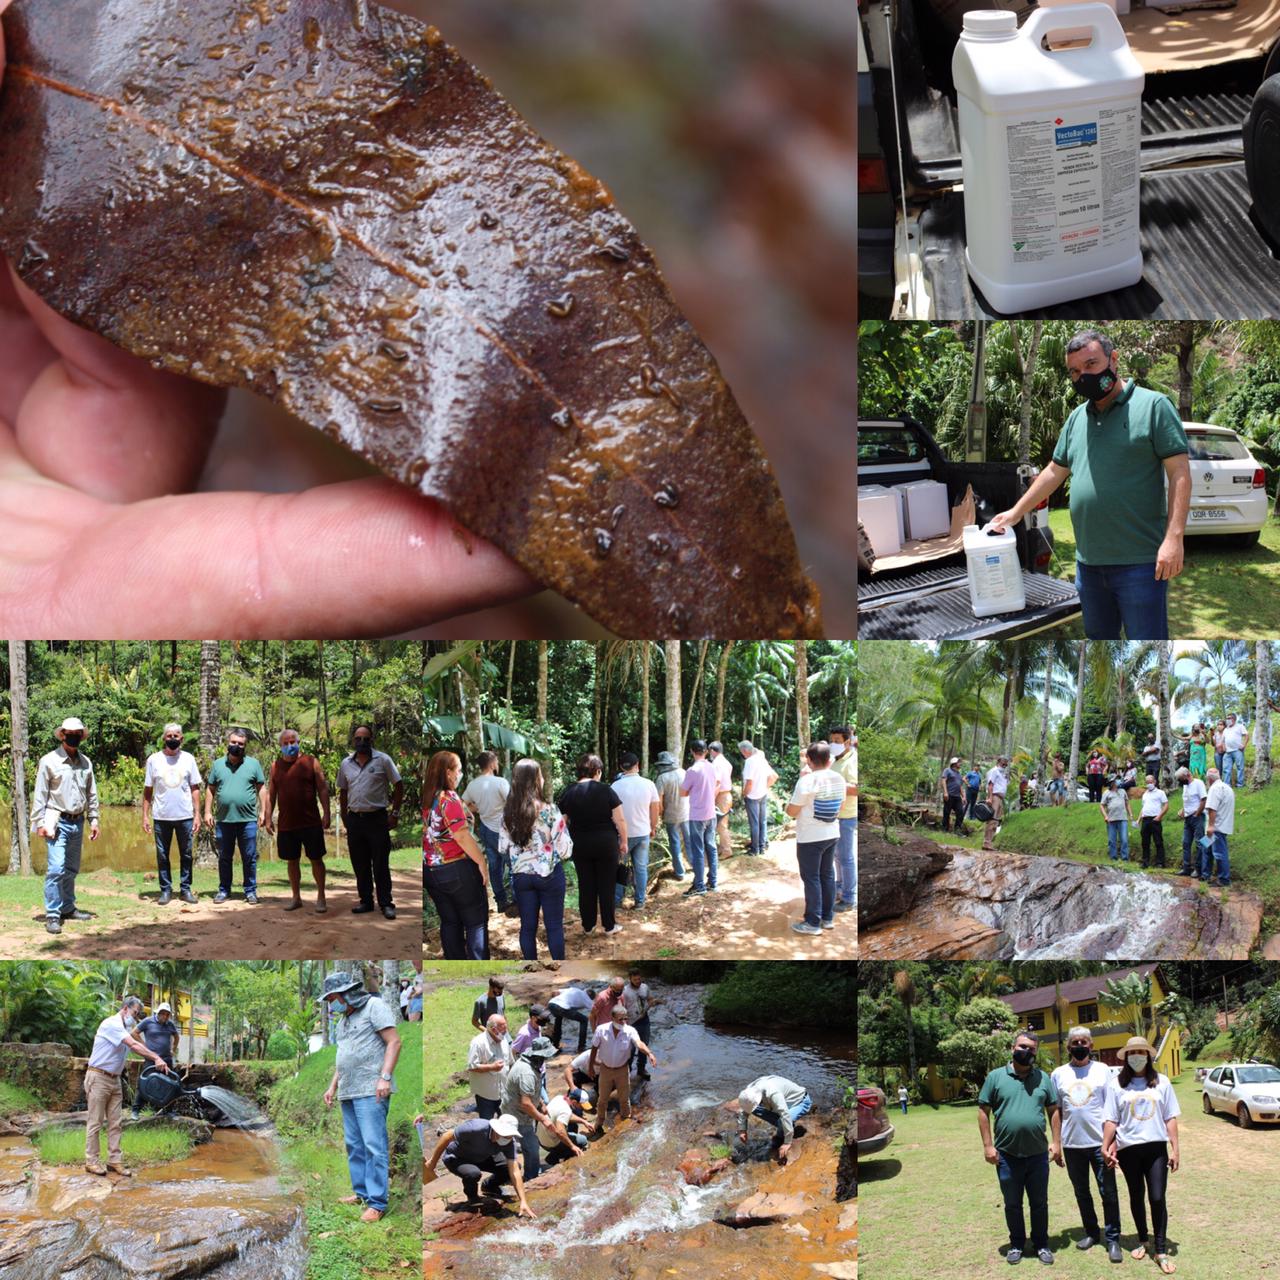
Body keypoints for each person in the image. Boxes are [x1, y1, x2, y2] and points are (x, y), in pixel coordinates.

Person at [989, 329, 1191, 640]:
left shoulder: (1153, 406)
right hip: (1089, 567)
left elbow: (1179, 473)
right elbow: (1055, 471)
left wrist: (1174, 538)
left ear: (1113, 359)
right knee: (1099, 645)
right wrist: (1015, 512)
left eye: (1091, 365)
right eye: (1075, 371)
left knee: (1147, 646)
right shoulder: (1076, 419)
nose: (1083, 376)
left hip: (1140, 565)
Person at [976, 1030, 1062, 1267]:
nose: (1027, 1052)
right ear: (1013, 1048)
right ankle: (1016, 1244)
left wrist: (1056, 1143)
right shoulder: (995, 1077)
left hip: (1037, 1155)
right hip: (1006, 1155)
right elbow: (983, 1112)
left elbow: (1054, 1111)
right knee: (1012, 1203)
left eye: (1032, 1049)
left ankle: (1041, 1243)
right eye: (1023, 1047)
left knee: (1039, 1203)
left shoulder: (1043, 1078)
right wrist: (987, 1146)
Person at [321, 971, 401, 1223]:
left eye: (333, 998)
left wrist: (385, 1077)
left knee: (373, 1145)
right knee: (354, 1146)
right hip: (348, 1091)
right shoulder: (342, 1021)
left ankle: (377, 1203)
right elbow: (343, 1058)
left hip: (371, 1089)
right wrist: (332, 1087)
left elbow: (394, 1042)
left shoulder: (374, 1007)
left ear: (347, 993)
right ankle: (362, 1193)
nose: (331, 1004)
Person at [1103, 1037, 1181, 1274]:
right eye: (1132, 1052)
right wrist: (1105, 1145)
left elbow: (1170, 1117)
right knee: (1136, 1196)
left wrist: (1175, 1149)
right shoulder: (1117, 1084)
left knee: (1157, 1197)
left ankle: (1160, 1250)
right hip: (1128, 1151)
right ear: (1126, 1057)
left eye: (1141, 1052)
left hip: (1156, 1149)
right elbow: (1111, 1119)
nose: (1137, 1056)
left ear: (1148, 1055)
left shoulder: (1162, 1082)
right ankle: (1143, 1240)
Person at [1050, 1027, 1123, 1263]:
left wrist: (1113, 1142)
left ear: (1091, 1045)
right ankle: (1092, 1232)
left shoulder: (1103, 1071)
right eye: (1074, 1042)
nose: (1079, 1045)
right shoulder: (1058, 1074)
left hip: (1100, 1144)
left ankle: (1113, 1239)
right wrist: (1057, 1143)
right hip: (1072, 1146)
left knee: (1108, 1192)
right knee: (1082, 1193)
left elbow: (1113, 1108)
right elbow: (1057, 1111)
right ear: (1068, 1046)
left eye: (1084, 1041)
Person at [85, 995, 174, 1176]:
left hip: (115, 1079)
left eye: (138, 1014)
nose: (135, 1017)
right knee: (95, 1122)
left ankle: (114, 1161)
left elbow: (134, 1045)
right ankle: (91, 1161)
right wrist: (156, 1057)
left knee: (116, 1123)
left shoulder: (125, 1027)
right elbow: (133, 1044)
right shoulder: (112, 1024)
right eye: (134, 1013)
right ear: (125, 1009)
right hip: (98, 1077)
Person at [31, 717, 100, 936]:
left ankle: (68, 908)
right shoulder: (49, 761)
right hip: (57, 821)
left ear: (81, 736)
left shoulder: (86, 762)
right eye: (69, 733)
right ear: (62, 735)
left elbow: (92, 794)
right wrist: (39, 823)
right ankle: (52, 915)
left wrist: (94, 820)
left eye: (77, 734)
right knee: (56, 869)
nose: (73, 737)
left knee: (71, 869)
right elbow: (40, 794)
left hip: (78, 821)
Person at [499, 758, 572, 959]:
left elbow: (502, 847)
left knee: (527, 928)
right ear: (534, 780)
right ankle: (559, 969)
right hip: (548, 874)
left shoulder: (508, 813)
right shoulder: (550, 810)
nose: (542, 779)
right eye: (539, 775)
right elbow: (566, 851)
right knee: (554, 927)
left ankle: (530, 966)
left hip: (521, 876)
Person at [424, 751, 490, 960]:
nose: (460, 774)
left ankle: (455, 961)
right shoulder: (448, 797)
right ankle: (478, 963)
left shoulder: (427, 797)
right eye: (458, 770)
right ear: (448, 772)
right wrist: (481, 862)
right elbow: (461, 836)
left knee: (450, 921)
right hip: (456, 868)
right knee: (476, 921)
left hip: (431, 871)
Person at [336, 726, 402, 920]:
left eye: (365, 739)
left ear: (371, 740)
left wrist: (395, 814)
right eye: (358, 739)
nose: (362, 742)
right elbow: (343, 791)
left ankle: (386, 903)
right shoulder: (346, 763)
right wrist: (345, 817)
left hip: (377, 819)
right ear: (353, 741)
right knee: (360, 863)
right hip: (355, 820)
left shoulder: (383, 760)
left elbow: (398, 785)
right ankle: (366, 901)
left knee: (380, 863)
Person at [263, 728, 330, 913]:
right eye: (285, 743)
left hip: (311, 822)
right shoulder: (275, 767)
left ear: (298, 742)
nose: (289, 746)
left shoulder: (311, 762)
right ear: (280, 745)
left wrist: (327, 813)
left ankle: (321, 897)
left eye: (293, 742)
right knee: (292, 861)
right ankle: (296, 897)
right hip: (287, 824)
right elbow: (271, 794)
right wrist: (268, 818)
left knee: (316, 859)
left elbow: (323, 788)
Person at [558, 754, 626, 936]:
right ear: (597, 771)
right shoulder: (606, 790)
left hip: (580, 844)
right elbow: (619, 819)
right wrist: (624, 841)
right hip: (606, 843)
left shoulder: (568, 792)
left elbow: (561, 823)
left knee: (586, 885)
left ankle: (588, 926)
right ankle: (609, 926)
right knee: (607, 885)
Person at [426, 1112, 536, 1218]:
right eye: (505, 1135)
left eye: (510, 1136)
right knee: (473, 1174)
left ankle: (489, 1186)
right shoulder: (476, 1128)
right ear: (496, 1129)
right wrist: (433, 1163)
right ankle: (473, 1198)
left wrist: (523, 1201)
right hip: (457, 1158)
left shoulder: (509, 1142)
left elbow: (515, 1171)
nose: (507, 1138)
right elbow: (447, 1136)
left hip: (482, 1156)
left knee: (511, 1167)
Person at [787, 742, 845, 935]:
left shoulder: (807, 781)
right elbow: (841, 806)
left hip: (810, 837)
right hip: (832, 833)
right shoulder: (839, 778)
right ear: (829, 760)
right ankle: (827, 918)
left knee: (811, 878)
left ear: (809, 760)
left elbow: (792, 811)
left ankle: (812, 922)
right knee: (827, 875)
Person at [204, 727, 266, 904]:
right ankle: (224, 890)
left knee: (249, 857)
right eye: (233, 742)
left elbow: (261, 788)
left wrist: (263, 811)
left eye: (240, 744)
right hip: (224, 820)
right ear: (227, 743)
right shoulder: (218, 765)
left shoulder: (253, 764)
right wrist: (207, 811)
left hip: (247, 821)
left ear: (245, 746)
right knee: (224, 857)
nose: (236, 746)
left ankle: (250, 891)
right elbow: (210, 788)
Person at [143, 724, 203, 905]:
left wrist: (197, 814)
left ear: (182, 739)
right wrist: (145, 815)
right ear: (164, 738)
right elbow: (147, 790)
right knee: (162, 855)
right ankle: (166, 890)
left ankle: (185, 889)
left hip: (185, 816)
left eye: (176, 735)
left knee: (186, 854)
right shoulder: (154, 760)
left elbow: (195, 788)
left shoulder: (188, 759)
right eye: (169, 735)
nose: (172, 738)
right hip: (161, 816)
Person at [588, 1005, 657, 1135]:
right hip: (605, 1070)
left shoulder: (630, 1030)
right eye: (620, 1019)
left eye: (625, 1018)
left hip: (622, 1070)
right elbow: (594, 1048)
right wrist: (591, 1067)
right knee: (602, 1099)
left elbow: (640, 1044)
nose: (624, 1022)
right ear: (612, 1018)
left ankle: (626, 1119)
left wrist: (649, 1053)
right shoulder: (601, 1030)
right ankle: (599, 1122)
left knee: (624, 1099)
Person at [500, 1036, 559, 1181]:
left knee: (524, 1144)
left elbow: (530, 1093)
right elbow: (525, 1103)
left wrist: (541, 1104)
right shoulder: (526, 1073)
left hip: (519, 1111)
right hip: (517, 1115)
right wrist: (543, 1119)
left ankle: (527, 1172)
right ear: (539, 1055)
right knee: (532, 1147)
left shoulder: (529, 1064)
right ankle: (531, 1178)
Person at [462, 751, 513, 914]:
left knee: (494, 866)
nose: (497, 764)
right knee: (513, 864)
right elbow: (512, 803)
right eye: (496, 762)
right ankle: (517, 900)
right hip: (501, 830)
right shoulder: (500, 782)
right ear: (492, 764)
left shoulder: (473, 785)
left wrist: (477, 809)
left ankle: (501, 902)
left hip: (485, 829)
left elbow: (462, 806)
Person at [611, 753, 660, 911]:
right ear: (637, 765)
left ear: (621, 767)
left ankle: (618, 901)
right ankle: (640, 901)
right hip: (642, 832)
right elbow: (655, 809)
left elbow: (611, 813)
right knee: (641, 867)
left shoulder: (615, 787)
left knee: (619, 866)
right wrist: (653, 827)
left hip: (621, 835)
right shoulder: (648, 784)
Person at [729, 1075, 813, 1164]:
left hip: (800, 1102)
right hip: (782, 1102)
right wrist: (742, 1129)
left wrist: (787, 1143)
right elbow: (745, 1109)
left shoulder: (772, 1093)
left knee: (783, 1121)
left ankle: (782, 1135)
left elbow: (785, 1115)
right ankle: (785, 1127)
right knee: (754, 1109)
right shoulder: (749, 1091)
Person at [680, 741, 720, 896]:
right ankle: (713, 882)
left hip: (697, 815)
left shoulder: (692, 770)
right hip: (711, 813)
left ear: (692, 751)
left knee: (698, 850)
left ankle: (699, 885)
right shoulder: (711, 766)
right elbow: (717, 783)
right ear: (706, 751)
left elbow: (683, 793)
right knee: (711, 847)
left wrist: (695, 791)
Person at [130, 1001, 182, 1118]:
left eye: (167, 1014)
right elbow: (134, 1033)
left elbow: (176, 1036)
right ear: (158, 1013)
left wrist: (173, 1048)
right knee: (145, 1083)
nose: (165, 1016)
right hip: (151, 1059)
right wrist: (144, 1046)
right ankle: (135, 1110)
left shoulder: (170, 1024)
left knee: (170, 1084)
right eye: (163, 1013)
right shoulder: (148, 1021)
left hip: (166, 1059)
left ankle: (168, 1110)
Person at [829, 727, 858, 914]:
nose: (834, 743)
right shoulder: (836, 761)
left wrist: (835, 783)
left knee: (846, 857)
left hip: (847, 815)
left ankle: (849, 897)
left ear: (848, 742)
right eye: (832, 740)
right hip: (836, 815)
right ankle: (839, 889)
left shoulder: (852, 761)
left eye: (838, 740)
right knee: (837, 856)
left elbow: (856, 788)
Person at [466, 1014, 511, 1121]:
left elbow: (510, 1062)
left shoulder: (504, 1040)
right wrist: (491, 1067)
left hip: (503, 1093)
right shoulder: (478, 1043)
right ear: (493, 1029)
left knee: (506, 1122)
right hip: (486, 1095)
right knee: (486, 1124)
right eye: (502, 1031)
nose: (504, 1034)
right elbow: (471, 1066)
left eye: (505, 1031)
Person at [654, 750, 690, 878]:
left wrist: (660, 815)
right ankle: (693, 865)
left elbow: (659, 801)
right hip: (686, 813)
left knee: (674, 843)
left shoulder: (661, 778)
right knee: (689, 840)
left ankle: (680, 872)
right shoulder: (684, 772)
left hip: (671, 815)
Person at [740, 739, 778, 856]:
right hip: (763, 793)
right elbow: (773, 776)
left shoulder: (749, 761)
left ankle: (755, 849)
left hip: (753, 796)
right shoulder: (761, 758)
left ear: (745, 751)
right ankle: (762, 846)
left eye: (742, 752)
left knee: (754, 823)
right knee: (762, 821)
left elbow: (749, 782)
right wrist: (765, 787)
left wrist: (744, 794)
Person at [536, 1093, 591, 1167]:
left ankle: (563, 1150)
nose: (582, 1108)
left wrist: (583, 1121)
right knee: (583, 1140)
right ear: (574, 1102)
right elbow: (560, 1132)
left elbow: (569, 1116)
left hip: (541, 1139)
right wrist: (572, 1146)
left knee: (573, 1126)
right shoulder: (566, 1110)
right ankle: (552, 1158)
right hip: (550, 1143)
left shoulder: (560, 1098)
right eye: (581, 1106)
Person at [1202, 767, 1234, 887]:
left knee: (1219, 853)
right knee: (1205, 848)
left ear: (1209, 779)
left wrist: (1211, 826)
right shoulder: (1227, 788)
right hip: (1222, 825)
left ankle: (1224, 880)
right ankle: (1205, 875)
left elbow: (1212, 808)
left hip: (1215, 828)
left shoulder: (1214, 789)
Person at [621, 970, 655, 1081]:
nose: (638, 981)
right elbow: (621, 1008)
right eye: (635, 979)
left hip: (644, 1020)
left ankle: (641, 1069)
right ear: (630, 978)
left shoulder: (645, 987)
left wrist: (646, 1009)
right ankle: (627, 1071)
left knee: (644, 1044)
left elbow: (650, 1000)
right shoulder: (625, 991)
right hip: (630, 1022)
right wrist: (624, 1023)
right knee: (629, 1048)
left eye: (639, 979)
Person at [1175, 766, 1207, 879]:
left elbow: (1203, 799)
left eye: (1180, 779)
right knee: (1185, 843)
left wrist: (1198, 813)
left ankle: (1198, 869)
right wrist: (1182, 811)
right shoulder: (1185, 787)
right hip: (1187, 818)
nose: (1180, 781)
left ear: (1187, 775)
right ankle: (1186, 868)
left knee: (1200, 843)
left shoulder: (1198, 783)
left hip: (1197, 817)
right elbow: (1187, 801)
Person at [707, 742, 734, 864]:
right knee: (721, 823)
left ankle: (727, 850)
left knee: (721, 825)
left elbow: (717, 783)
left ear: (713, 750)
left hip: (721, 796)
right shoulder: (726, 762)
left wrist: (711, 798)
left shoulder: (717, 763)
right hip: (726, 794)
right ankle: (723, 848)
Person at [548, 984, 593, 1055]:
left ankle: (555, 1045)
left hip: (551, 1004)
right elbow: (596, 1011)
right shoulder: (587, 999)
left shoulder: (574, 989)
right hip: (562, 1007)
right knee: (584, 1020)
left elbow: (554, 992)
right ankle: (581, 1047)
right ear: (591, 997)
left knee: (558, 1018)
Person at [1099, 776, 1133, 863]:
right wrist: (1105, 816)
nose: (1118, 781)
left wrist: (1131, 814)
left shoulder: (1122, 791)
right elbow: (1102, 805)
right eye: (1116, 780)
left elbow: (1127, 803)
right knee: (1112, 840)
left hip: (1123, 818)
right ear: (1112, 782)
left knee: (1124, 839)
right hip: (1111, 820)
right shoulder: (1106, 793)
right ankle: (1113, 858)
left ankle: (1124, 858)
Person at [1138, 775, 1169, 869]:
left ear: (1154, 782)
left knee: (1158, 841)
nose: (1149, 784)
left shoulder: (1160, 793)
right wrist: (1139, 819)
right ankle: (1145, 862)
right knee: (1145, 842)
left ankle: (1160, 862)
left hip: (1155, 819)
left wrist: (1159, 816)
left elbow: (1166, 805)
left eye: (1150, 782)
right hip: (1145, 819)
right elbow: (1143, 808)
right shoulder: (1145, 794)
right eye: (1147, 782)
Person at [983, 757, 1010, 851]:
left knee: (996, 820)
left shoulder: (1002, 773)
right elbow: (991, 785)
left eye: (1006, 764)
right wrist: (990, 798)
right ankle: (986, 842)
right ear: (998, 762)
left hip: (1000, 798)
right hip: (994, 797)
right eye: (1003, 763)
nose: (1005, 765)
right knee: (992, 819)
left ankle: (989, 842)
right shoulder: (994, 771)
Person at [939, 757, 969, 836]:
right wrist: (945, 792)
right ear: (954, 763)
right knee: (947, 812)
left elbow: (960, 786)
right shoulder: (947, 770)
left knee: (960, 812)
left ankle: (957, 830)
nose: (960, 764)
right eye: (959, 762)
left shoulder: (959, 774)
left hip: (957, 797)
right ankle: (944, 829)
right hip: (949, 795)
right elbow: (943, 781)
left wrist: (963, 797)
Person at [1221, 712, 1248, 788]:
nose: (1228, 720)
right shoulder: (1226, 729)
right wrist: (1223, 746)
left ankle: (1240, 784)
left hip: (1237, 750)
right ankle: (1226, 785)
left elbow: (1246, 735)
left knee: (1240, 767)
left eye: (1229, 718)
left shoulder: (1240, 726)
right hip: (1228, 752)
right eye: (1227, 718)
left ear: (1234, 719)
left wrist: (1244, 745)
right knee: (1226, 769)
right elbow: (1223, 740)